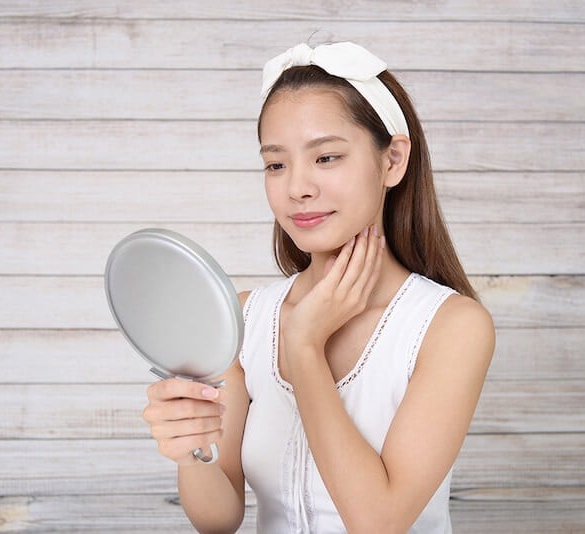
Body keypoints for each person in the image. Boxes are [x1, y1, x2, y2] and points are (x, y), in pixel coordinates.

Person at [142, 41, 495, 533]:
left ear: (393, 160)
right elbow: (219, 520)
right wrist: (191, 450)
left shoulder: (450, 326)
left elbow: (378, 522)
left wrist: (304, 345)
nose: (297, 188)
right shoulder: (245, 319)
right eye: (276, 164)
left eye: (326, 157)